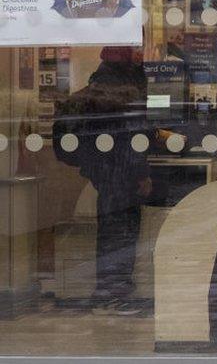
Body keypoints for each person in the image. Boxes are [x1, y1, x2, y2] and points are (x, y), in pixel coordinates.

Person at [53, 47, 153, 316]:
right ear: (126, 52)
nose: (142, 52)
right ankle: (114, 293)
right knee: (122, 230)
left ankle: (109, 290)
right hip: (121, 168)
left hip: (103, 166)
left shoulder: (101, 77)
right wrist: (141, 172)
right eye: (137, 46)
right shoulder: (125, 81)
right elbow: (132, 131)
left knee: (110, 226)